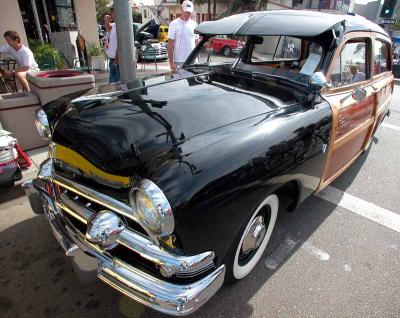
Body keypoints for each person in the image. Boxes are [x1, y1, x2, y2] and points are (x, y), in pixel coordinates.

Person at [167, 1, 199, 72]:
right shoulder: (173, 24)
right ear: (181, 9)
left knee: (193, 82)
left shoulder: (194, 24)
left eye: (189, 12)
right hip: (179, 62)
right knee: (179, 83)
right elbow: (170, 45)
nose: (187, 14)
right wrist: (171, 63)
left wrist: (197, 59)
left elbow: (196, 43)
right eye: (186, 11)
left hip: (193, 61)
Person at [104, 7, 120, 83]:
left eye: (112, 13)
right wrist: (106, 21)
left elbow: (120, 45)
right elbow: (108, 27)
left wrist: (116, 62)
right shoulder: (115, 25)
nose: (111, 15)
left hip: (116, 62)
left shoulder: (120, 27)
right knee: (114, 86)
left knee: (116, 87)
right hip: (113, 61)